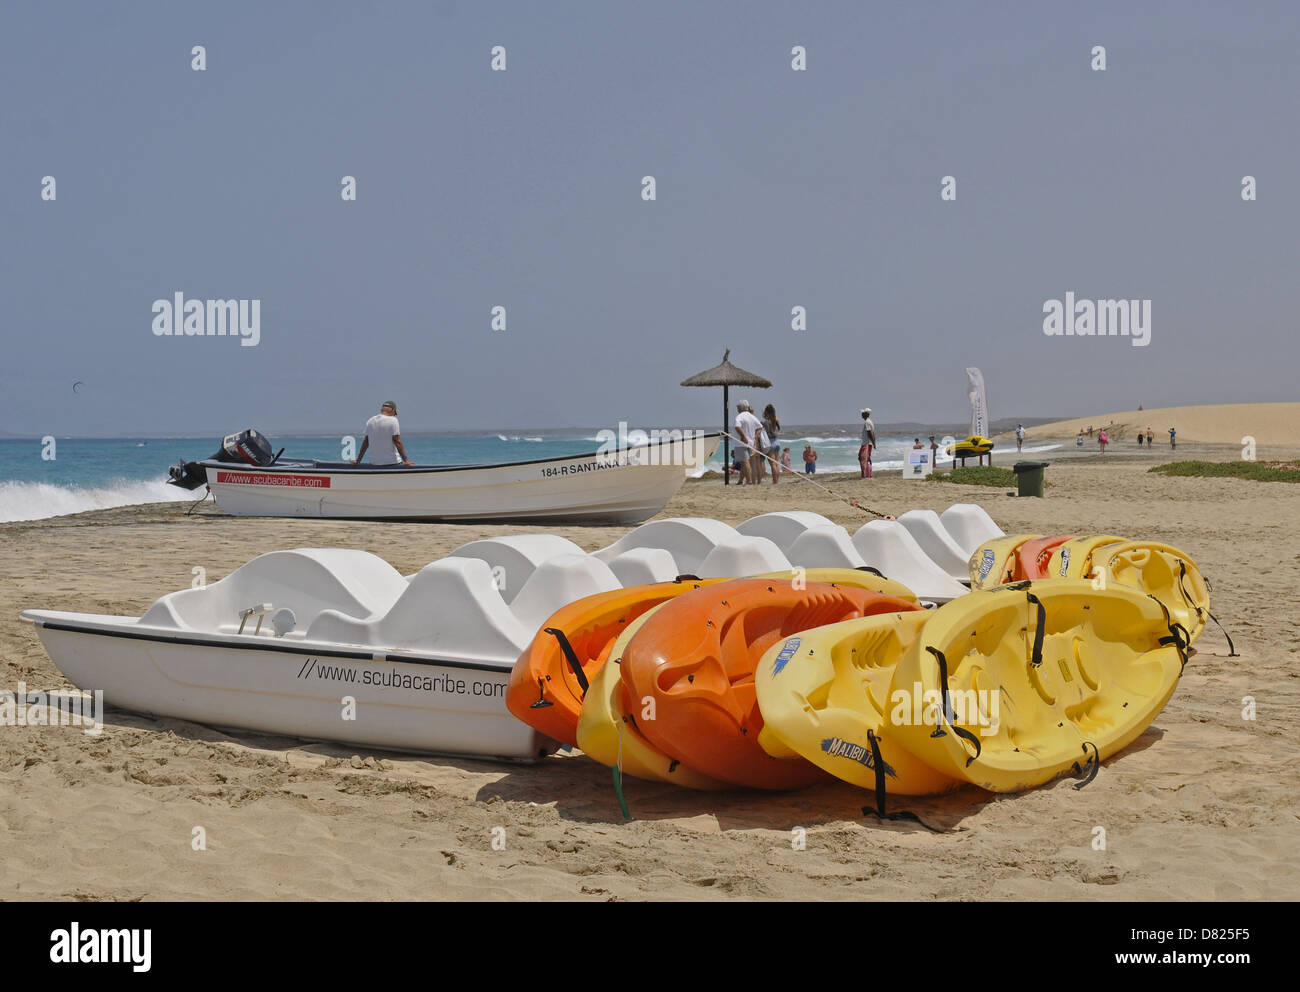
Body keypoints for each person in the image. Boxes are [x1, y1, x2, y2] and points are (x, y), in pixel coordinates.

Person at [352, 400, 412, 466]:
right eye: (394, 413)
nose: (394, 415)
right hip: (392, 463)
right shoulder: (393, 420)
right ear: (392, 410)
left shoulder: (370, 421)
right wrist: (406, 460)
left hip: (374, 464)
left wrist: (358, 461)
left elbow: (366, 442)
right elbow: (397, 441)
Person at [734, 400, 768, 485]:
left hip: (741, 443)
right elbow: (760, 427)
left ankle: (748, 481)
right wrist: (755, 438)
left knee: (745, 462)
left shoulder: (739, 416)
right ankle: (741, 480)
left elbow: (737, 427)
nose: (737, 408)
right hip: (751, 443)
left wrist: (743, 437)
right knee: (744, 462)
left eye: (738, 407)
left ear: (741, 407)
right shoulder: (752, 416)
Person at [762, 404, 782, 486]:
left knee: (772, 464)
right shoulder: (776, 420)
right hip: (777, 441)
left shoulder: (767, 422)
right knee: (776, 463)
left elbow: (766, 433)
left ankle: (775, 481)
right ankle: (777, 480)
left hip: (770, 442)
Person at [858, 408, 876, 478]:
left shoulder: (867, 422)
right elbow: (873, 433)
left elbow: (870, 433)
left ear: (866, 414)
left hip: (866, 443)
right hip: (868, 443)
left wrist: (873, 443)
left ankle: (864, 474)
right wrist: (874, 443)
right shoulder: (870, 422)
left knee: (861, 458)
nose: (861, 414)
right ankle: (868, 474)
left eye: (863, 413)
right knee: (867, 458)